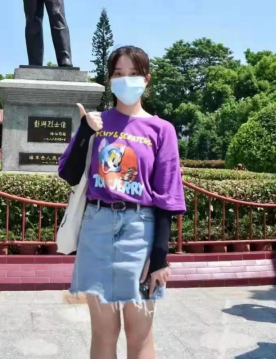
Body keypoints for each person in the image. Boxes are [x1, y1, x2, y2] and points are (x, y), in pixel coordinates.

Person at [59, 46, 186, 359]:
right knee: (103, 334)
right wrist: (85, 132)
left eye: (133, 73)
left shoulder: (162, 129)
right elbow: (70, 174)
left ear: (146, 79)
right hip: (96, 229)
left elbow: (167, 195)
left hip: (140, 232)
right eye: (118, 73)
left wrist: (160, 257)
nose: (126, 80)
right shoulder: (97, 122)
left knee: (139, 335)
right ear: (109, 79)